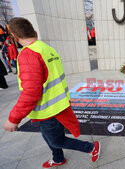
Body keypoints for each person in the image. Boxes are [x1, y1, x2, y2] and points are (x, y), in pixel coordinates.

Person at [4, 17, 100, 168]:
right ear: (35, 32)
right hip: (58, 104)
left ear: (15, 38)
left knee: (56, 140)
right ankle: (58, 158)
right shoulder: (47, 48)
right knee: (48, 136)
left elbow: (31, 92)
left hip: (48, 109)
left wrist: (13, 118)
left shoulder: (28, 54)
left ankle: (91, 148)